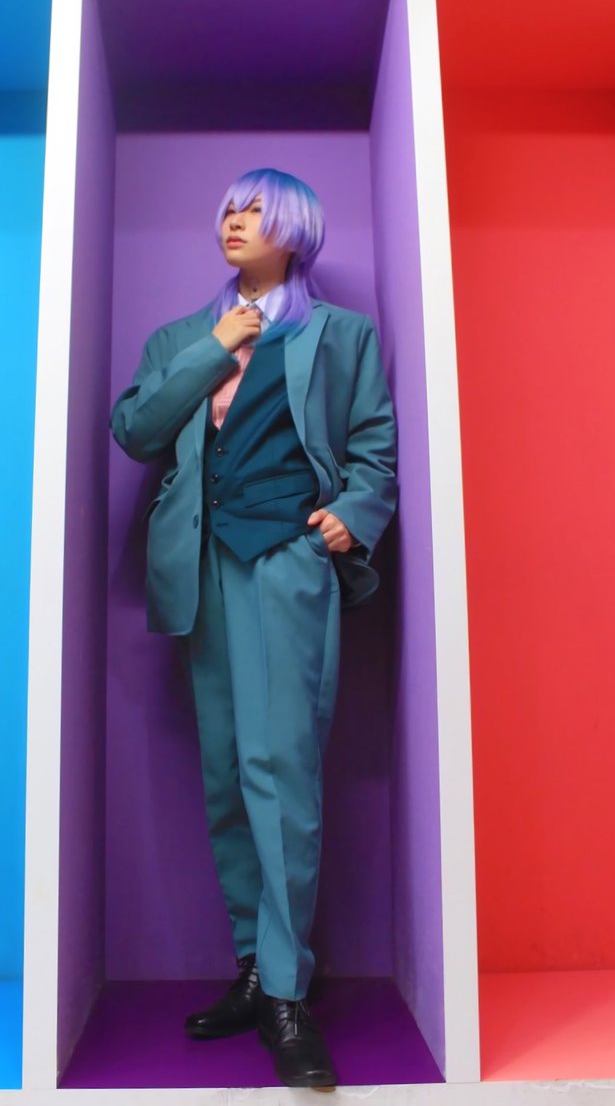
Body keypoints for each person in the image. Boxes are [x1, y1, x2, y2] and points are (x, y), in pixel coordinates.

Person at [110, 167, 398, 1090]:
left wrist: (351, 514)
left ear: (295, 228)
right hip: (202, 570)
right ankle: (254, 964)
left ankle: (286, 992)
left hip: (286, 565)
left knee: (281, 772)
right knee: (228, 772)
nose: (234, 221)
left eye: (254, 211)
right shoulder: (183, 336)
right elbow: (135, 429)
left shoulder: (340, 334)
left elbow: (374, 445)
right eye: (227, 209)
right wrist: (214, 348)